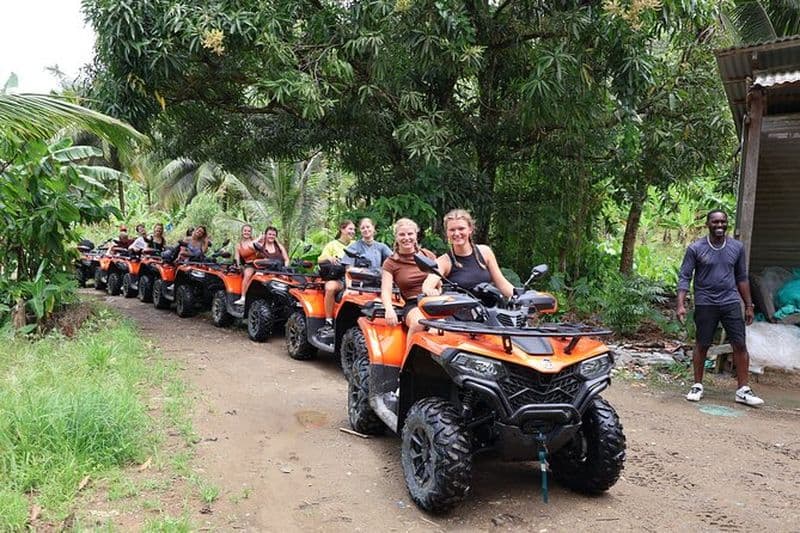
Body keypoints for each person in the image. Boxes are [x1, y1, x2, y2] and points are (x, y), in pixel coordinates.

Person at [677, 209, 763, 407]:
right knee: (702, 343)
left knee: (740, 344)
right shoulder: (696, 248)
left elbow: (742, 277)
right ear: (708, 224)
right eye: (715, 222)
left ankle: (743, 390)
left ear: (727, 224)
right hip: (706, 302)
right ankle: (697, 385)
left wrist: (749, 305)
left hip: (730, 302)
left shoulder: (736, 247)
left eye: (723, 222)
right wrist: (680, 304)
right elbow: (685, 276)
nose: (719, 226)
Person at [421, 209, 514, 298]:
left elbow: (502, 284)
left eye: (461, 228)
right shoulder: (444, 261)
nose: (457, 233)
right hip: (459, 311)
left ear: (470, 229)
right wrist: (430, 290)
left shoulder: (485, 252)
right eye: (452, 230)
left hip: (488, 310)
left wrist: (520, 297)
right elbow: (428, 284)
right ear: (447, 233)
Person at [382, 218, 437, 350]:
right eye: (402, 234)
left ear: (416, 235)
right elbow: (386, 290)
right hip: (413, 304)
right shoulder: (391, 263)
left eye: (410, 234)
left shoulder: (427, 255)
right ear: (396, 237)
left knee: (441, 328)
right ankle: (408, 366)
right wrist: (389, 310)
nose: (406, 238)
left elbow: (439, 278)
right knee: (419, 323)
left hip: (436, 301)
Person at [315, 220, 356, 340]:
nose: (352, 232)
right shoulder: (332, 245)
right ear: (342, 230)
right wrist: (329, 258)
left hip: (355, 277)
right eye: (350, 229)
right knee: (330, 287)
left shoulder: (356, 244)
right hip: (339, 277)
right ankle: (328, 322)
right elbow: (319, 260)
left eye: (354, 229)